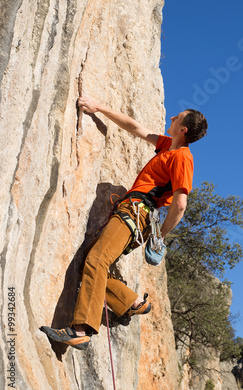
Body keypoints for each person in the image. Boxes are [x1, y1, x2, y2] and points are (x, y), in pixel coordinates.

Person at [41, 96, 208, 349]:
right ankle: (130, 302)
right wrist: (101, 108)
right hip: (133, 212)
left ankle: (80, 330)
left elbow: (180, 203)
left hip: (136, 212)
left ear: (183, 130)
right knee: (93, 259)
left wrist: (160, 236)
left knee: (97, 260)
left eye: (178, 117)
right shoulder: (166, 146)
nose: (172, 117)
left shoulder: (182, 157)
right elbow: (135, 127)